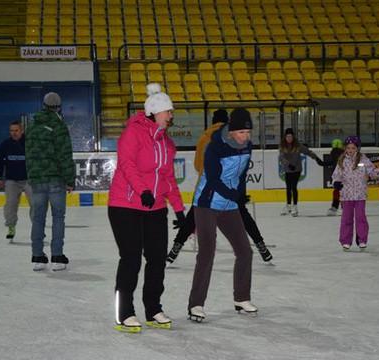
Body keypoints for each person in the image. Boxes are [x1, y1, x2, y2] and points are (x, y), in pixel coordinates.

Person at [108, 83, 185, 333]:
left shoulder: (166, 143)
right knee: (131, 259)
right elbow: (127, 165)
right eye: (168, 112)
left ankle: (153, 308)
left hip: (155, 208)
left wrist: (179, 209)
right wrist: (142, 191)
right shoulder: (133, 133)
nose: (171, 116)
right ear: (155, 112)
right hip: (126, 205)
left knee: (157, 259)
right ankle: (124, 312)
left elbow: (169, 178)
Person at [167, 109, 273, 265]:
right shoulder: (234, 136)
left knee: (193, 217)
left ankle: (174, 251)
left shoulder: (204, 138)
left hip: (208, 188)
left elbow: (198, 165)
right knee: (243, 215)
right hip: (231, 187)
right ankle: (262, 247)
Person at [187, 108, 256, 323]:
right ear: (232, 131)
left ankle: (242, 298)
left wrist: (240, 195)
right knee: (207, 252)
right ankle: (196, 304)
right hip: (207, 203)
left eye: (248, 132)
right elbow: (214, 181)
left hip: (229, 205)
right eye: (242, 132)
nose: (246, 136)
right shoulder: (215, 147)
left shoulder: (247, 147)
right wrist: (234, 195)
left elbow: (242, 174)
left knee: (245, 251)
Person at [25, 92, 75, 271]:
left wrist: (31, 176)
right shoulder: (58, 125)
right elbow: (64, 154)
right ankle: (57, 257)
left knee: (38, 218)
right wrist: (70, 179)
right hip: (55, 179)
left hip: (37, 180)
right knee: (58, 218)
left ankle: (37, 257)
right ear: (59, 107)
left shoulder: (31, 125)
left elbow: (28, 154)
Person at [332, 136, 379, 251]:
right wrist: (336, 182)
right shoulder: (342, 160)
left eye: (353, 148)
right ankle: (346, 241)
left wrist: (378, 173)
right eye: (348, 148)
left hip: (360, 194)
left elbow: (371, 170)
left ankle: (362, 240)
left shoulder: (363, 160)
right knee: (346, 218)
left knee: (360, 218)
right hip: (346, 195)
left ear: (357, 149)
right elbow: (337, 174)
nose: (350, 150)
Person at [0, 120, 32, 240]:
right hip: (12, 180)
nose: (14, 133)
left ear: (21, 130)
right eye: (11, 131)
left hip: (29, 180)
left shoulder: (30, 143)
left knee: (36, 204)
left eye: (16, 130)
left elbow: (37, 160)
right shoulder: (5, 144)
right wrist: (0, 177)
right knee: (10, 204)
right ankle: (11, 226)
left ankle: (37, 227)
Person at [278, 128, 324, 217]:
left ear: (293, 137)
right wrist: (288, 164)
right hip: (288, 169)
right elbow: (281, 157)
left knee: (293, 187)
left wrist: (317, 159)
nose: (289, 138)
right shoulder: (282, 146)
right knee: (288, 187)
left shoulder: (297, 145)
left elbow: (308, 152)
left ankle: (295, 206)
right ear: (285, 137)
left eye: (290, 136)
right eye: (287, 136)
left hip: (297, 169)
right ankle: (288, 206)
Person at [327, 138, 344, 215]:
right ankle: (343, 207)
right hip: (342, 175)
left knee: (337, 191)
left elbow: (329, 162)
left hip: (337, 175)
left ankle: (335, 207)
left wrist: (319, 161)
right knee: (343, 191)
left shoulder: (332, 152)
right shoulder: (344, 153)